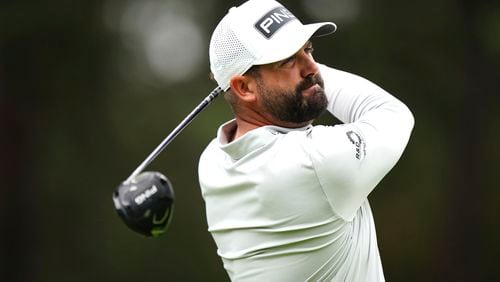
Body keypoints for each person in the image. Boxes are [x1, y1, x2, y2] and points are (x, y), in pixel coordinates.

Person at [198, 0, 414, 281]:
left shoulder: (213, 160)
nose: (312, 67)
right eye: (287, 60)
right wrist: (313, 74)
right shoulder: (315, 162)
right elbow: (392, 113)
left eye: (309, 49)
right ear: (244, 87)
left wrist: (298, 66)